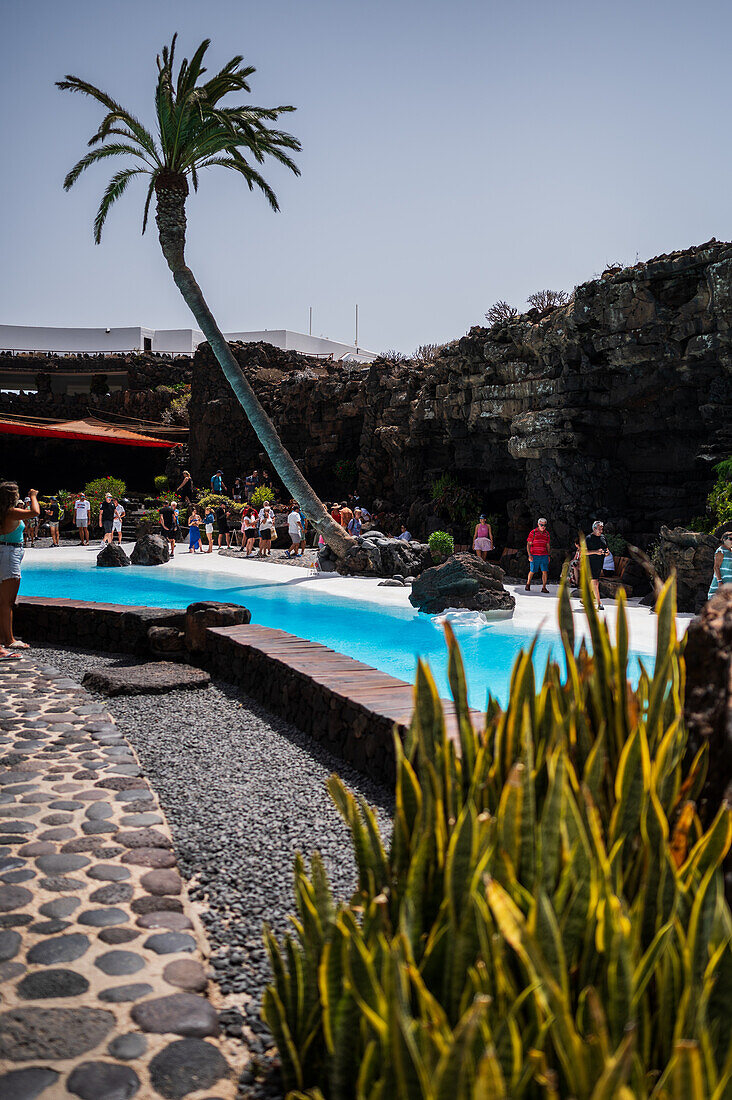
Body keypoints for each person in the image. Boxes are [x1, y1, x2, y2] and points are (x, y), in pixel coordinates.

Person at [0, 482, 40, 655]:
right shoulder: (11, 512)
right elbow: (35, 512)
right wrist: (33, 497)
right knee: (7, 601)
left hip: (5, 551)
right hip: (9, 552)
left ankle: (4, 638)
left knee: (3, 600)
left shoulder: (3, 512)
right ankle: (9, 640)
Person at [585, 520, 610, 610]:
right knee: (595, 583)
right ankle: (599, 603)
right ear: (594, 528)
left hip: (599, 564)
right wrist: (595, 552)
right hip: (590, 563)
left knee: (593, 583)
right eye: (599, 528)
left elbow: (606, 550)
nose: (601, 530)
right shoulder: (589, 538)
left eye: (601, 528)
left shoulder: (603, 538)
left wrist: (606, 553)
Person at [526, 518, 550, 593]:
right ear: (538, 524)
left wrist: (548, 555)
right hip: (534, 555)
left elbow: (547, 545)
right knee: (532, 571)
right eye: (541, 525)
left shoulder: (546, 534)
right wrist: (529, 555)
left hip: (544, 555)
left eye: (544, 525)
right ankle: (528, 583)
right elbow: (528, 544)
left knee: (545, 571)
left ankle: (544, 587)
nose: (543, 526)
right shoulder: (533, 532)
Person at [708, 531, 732, 599]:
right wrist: (719, 582)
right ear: (724, 539)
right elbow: (716, 567)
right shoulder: (721, 551)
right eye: (730, 539)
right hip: (721, 584)